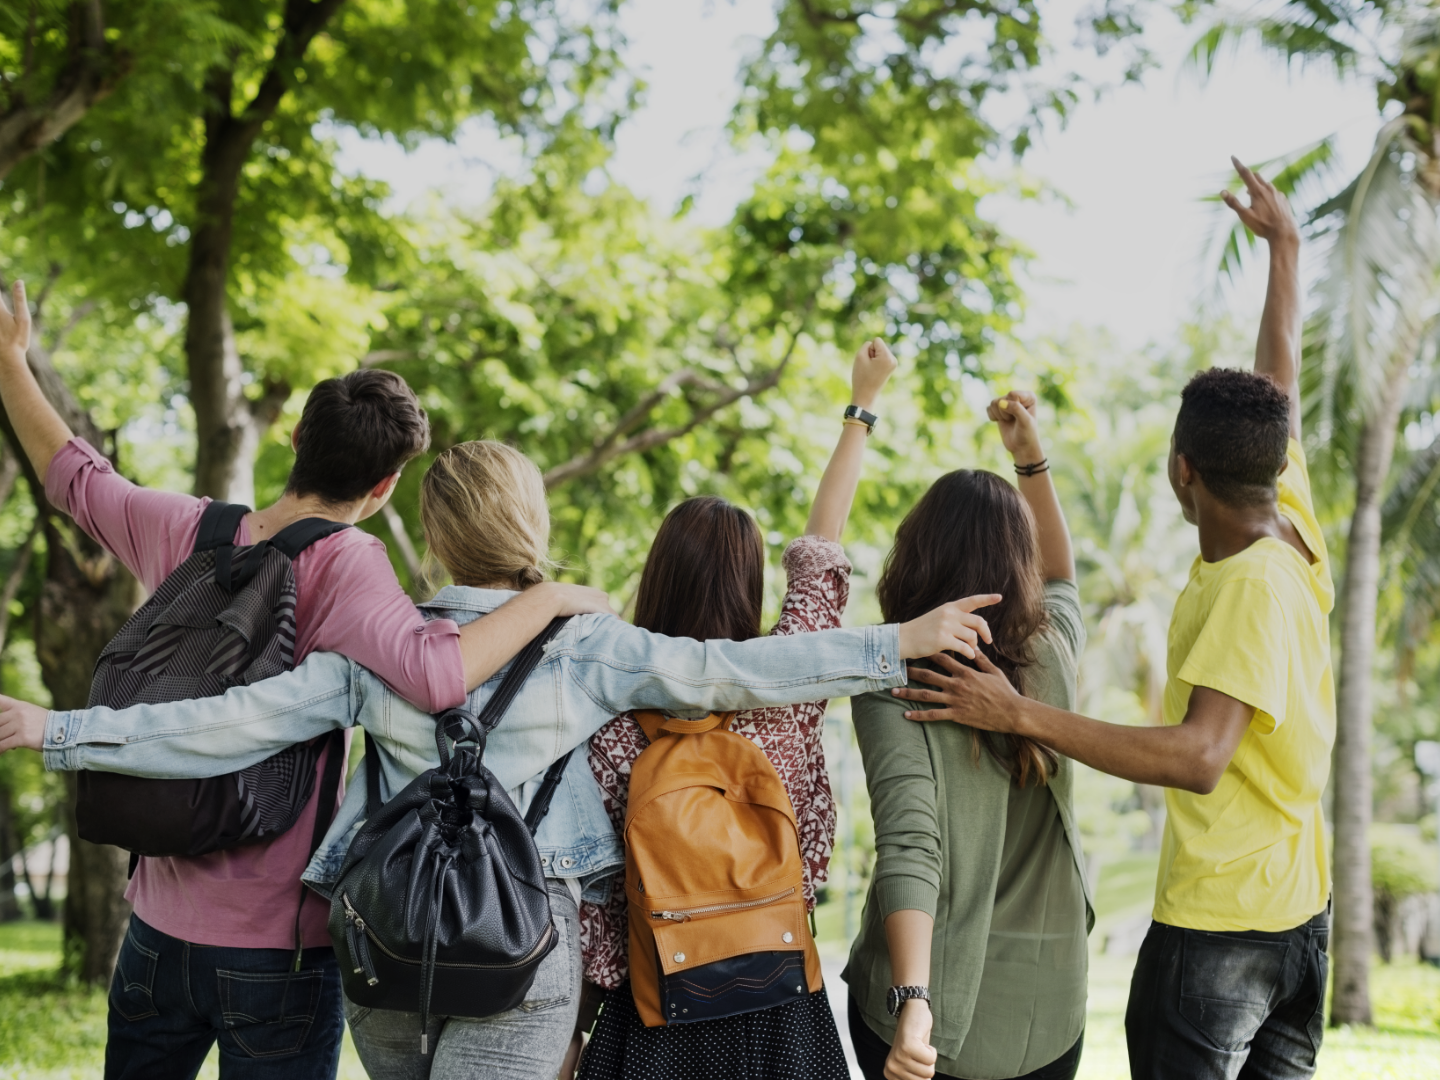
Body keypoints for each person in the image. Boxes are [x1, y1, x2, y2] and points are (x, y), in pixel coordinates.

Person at [0, 441, 999, 1080]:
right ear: (536, 526)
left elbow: (221, 723)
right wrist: (895, 642)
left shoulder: (377, 651)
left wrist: (58, 730)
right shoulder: (586, 646)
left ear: (433, 534)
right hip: (523, 949)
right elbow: (743, 670)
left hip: (383, 947)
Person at [0, 281, 611, 1080]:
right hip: (275, 951)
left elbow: (74, 477)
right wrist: (552, 596)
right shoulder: (353, 566)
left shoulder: (188, 530)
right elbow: (438, 674)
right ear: (386, 484)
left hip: (153, 931)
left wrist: (14, 362)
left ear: (294, 438)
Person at [890, 160, 1334, 1080]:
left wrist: (1015, 713)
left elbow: (1200, 757)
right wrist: (1286, 253)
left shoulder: (1250, 586)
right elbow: (1277, 384)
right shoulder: (1288, 516)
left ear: (1183, 473)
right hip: (1301, 918)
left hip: (1224, 934)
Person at [575, 339, 907, 1080]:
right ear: (747, 585)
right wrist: (862, 403)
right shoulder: (785, 689)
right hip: (778, 1000)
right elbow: (822, 552)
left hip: (657, 1005)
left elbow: (598, 901)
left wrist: (577, 1033)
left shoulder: (609, 711)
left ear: (655, 579)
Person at [842, 390, 1090, 1080]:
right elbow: (1064, 576)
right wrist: (1030, 460)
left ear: (915, 554)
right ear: (1020, 561)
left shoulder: (896, 678)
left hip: (929, 1015)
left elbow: (910, 845)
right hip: (1048, 1013)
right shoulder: (1052, 653)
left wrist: (913, 1000)